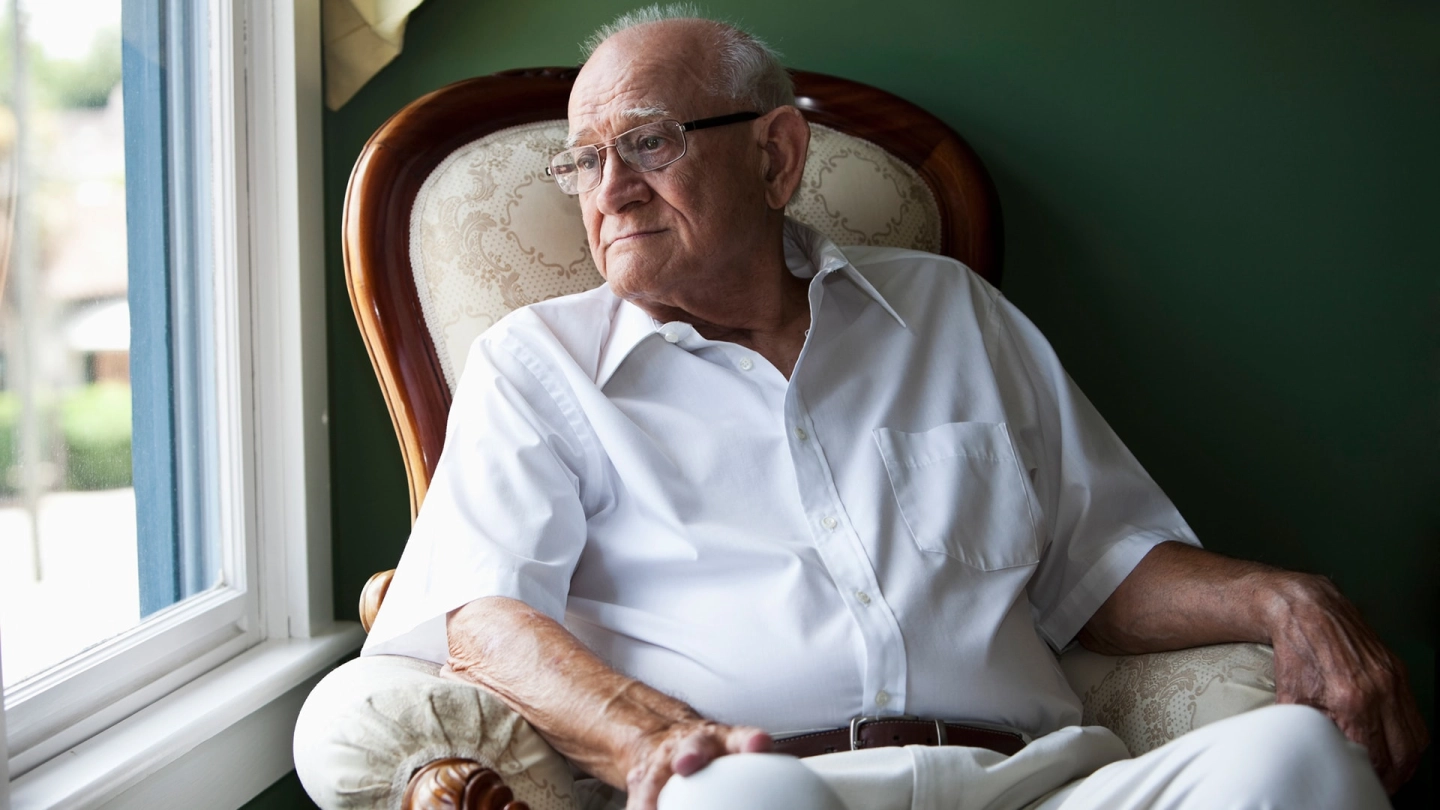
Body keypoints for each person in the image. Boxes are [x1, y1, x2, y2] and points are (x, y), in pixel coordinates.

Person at [362, 7, 1427, 809]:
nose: (611, 190)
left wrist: (1289, 600)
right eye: (584, 161)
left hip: (1031, 780)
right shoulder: (539, 365)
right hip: (777, 783)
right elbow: (483, 618)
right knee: (738, 801)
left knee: (1296, 757)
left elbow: (1100, 565)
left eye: (647, 143)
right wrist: (655, 744)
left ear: (775, 155)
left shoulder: (949, 311)